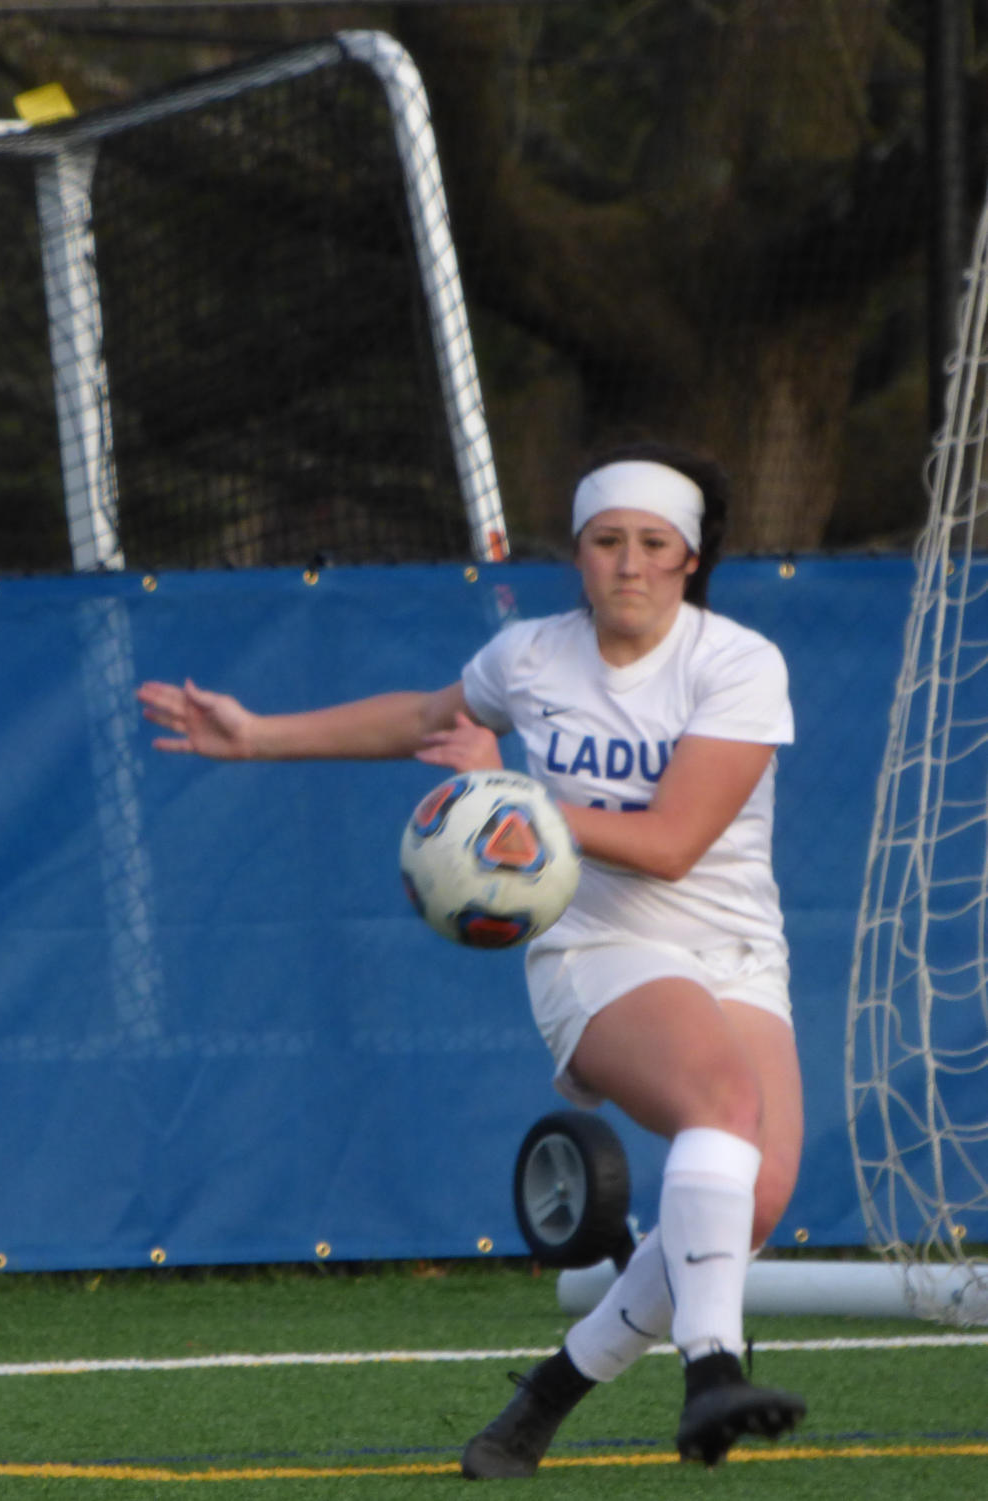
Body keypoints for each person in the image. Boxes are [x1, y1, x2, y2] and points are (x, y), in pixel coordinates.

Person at [136, 439, 806, 1475]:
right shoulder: (529, 656)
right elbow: (418, 717)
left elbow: (673, 844)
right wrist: (255, 733)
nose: (626, 563)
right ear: (577, 557)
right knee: (720, 1106)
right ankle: (710, 1372)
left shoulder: (736, 663)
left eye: (649, 544)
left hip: (732, 944)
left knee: (747, 1199)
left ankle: (547, 1393)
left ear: (687, 558)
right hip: (597, 940)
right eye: (604, 542)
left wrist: (517, 799)